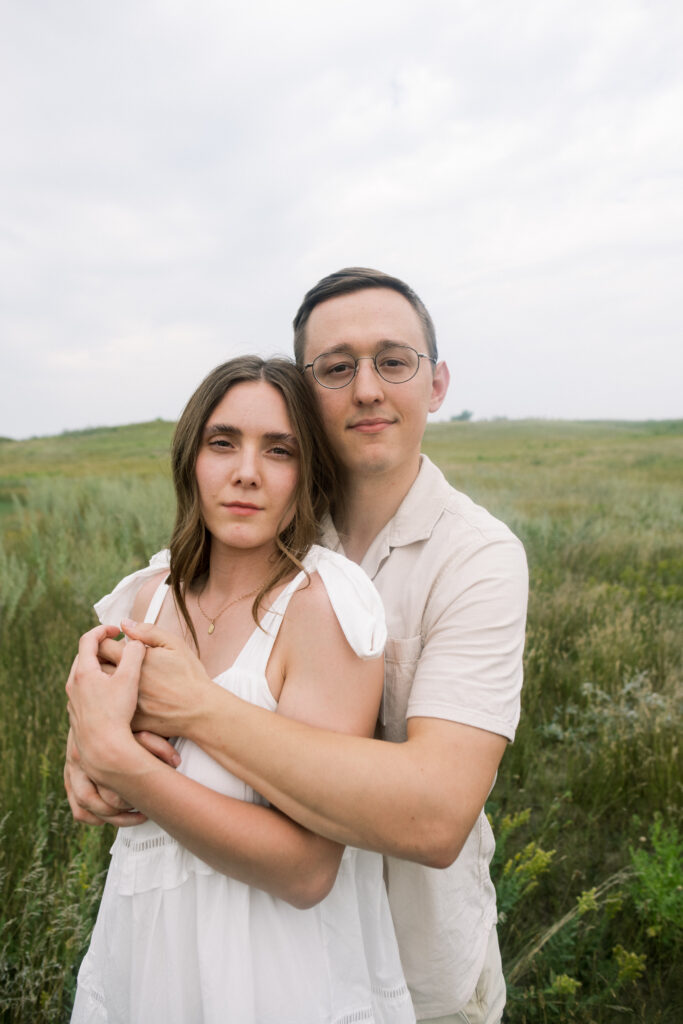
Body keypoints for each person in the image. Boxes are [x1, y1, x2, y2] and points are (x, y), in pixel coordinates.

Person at [66, 269, 528, 1023]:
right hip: (190, 953)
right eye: (337, 367)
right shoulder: (253, 532)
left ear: (437, 383)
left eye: (394, 360)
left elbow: (437, 816)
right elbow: (130, 679)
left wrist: (191, 712)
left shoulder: (476, 557)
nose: (368, 388)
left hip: (411, 959)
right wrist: (86, 747)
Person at [66, 355, 416, 1024]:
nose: (245, 472)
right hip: (147, 955)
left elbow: (306, 871)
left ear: (307, 475)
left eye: (278, 450)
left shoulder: (320, 608)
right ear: (190, 458)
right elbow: (100, 759)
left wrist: (124, 767)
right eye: (222, 442)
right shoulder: (144, 599)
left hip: (273, 975)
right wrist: (85, 766)